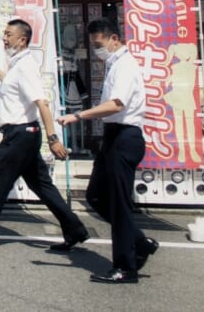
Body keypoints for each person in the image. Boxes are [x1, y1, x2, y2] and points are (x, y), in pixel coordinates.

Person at [0, 19, 88, 251]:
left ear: (22, 39)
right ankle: (75, 230)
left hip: (20, 135)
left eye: (8, 34)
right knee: (42, 186)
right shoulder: (18, 64)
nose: (5, 38)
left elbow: (42, 103)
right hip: (22, 134)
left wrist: (53, 139)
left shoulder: (26, 66)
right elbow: (14, 90)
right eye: (4, 34)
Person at [58, 19, 158, 284]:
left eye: (98, 43)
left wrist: (77, 115)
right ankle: (140, 242)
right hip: (112, 136)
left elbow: (116, 104)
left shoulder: (125, 66)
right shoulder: (114, 64)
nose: (96, 49)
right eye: (93, 44)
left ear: (114, 38)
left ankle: (125, 267)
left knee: (119, 203)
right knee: (96, 196)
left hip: (125, 136)